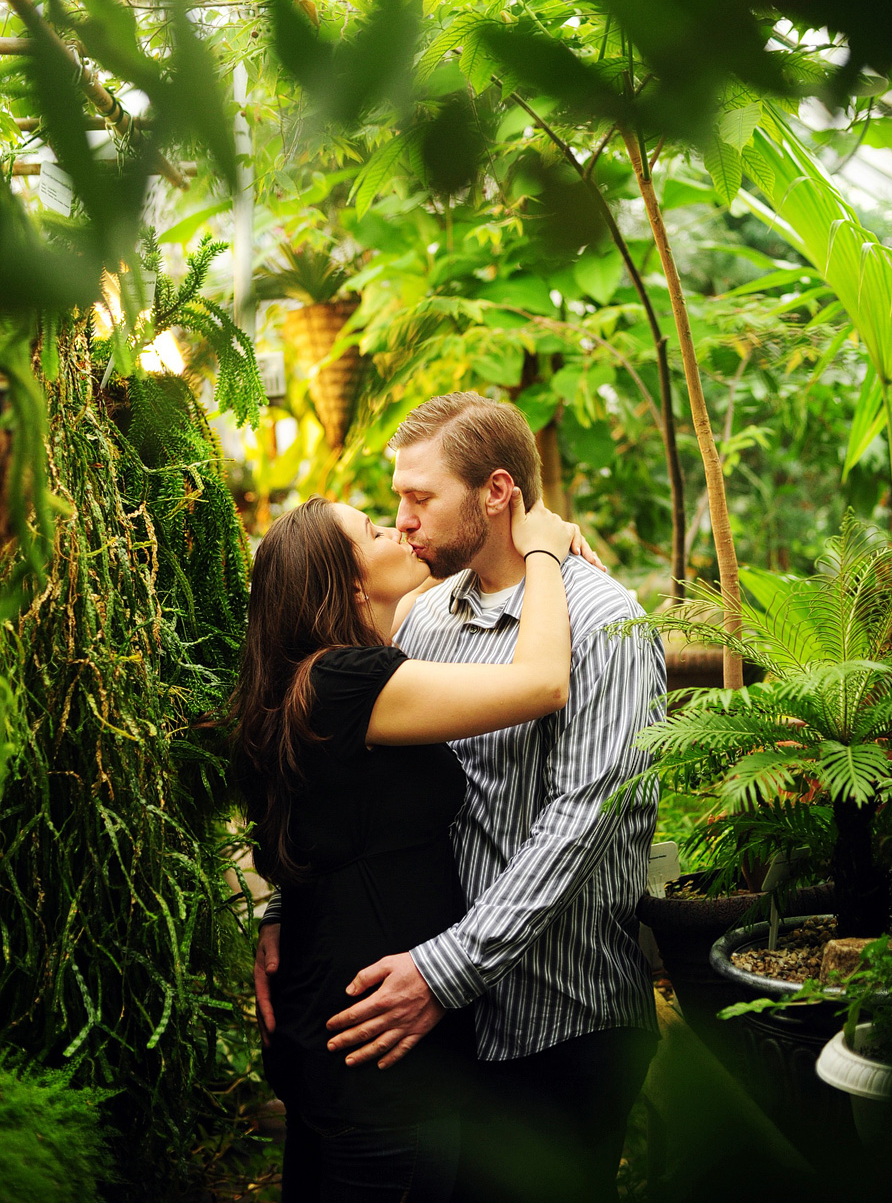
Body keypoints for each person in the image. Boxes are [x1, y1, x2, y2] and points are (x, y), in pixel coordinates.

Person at [257, 392, 666, 1203]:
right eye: (394, 502)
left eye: (419, 498)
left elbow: (580, 818)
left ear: (497, 491)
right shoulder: (423, 619)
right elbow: (353, 792)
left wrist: (445, 971)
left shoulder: (603, 619)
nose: (401, 519)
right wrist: (282, 904)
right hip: (447, 1029)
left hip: (560, 1020)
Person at [232, 484, 579, 1203]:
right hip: (385, 1055)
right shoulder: (345, 681)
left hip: (334, 1020)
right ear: (351, 583)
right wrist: (542, 548)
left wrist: (275, 918)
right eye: (372, 529)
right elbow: (544, 682)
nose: (396, 529)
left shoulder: (310, 685)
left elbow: (320, 832)